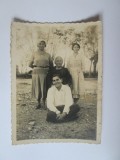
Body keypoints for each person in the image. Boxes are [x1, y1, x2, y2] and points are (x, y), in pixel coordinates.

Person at [29, 40, 53, 109]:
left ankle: (44, 103)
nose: (41, 45)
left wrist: (47, 69)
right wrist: (36, 67)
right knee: (38, 87)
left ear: (45, 45)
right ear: (38, 45)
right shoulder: (34, 54)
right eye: (40, 44)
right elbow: (30, 64)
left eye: (43, 44)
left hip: (45, 72)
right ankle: (38, 103)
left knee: (45, 87)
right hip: (36, 73)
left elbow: (51, 64)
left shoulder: (48, 54)